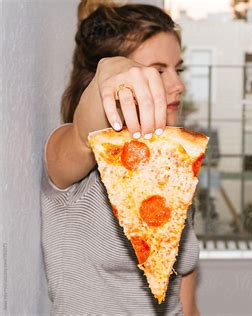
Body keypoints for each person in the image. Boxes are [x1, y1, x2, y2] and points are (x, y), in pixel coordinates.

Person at [40, 1, 200, 314]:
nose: (178, 85)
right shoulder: (74, 157)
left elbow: (187, 305)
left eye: (177, 69)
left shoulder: (171, 168)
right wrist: (110, 73)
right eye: (157, 71)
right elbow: (86, 131)